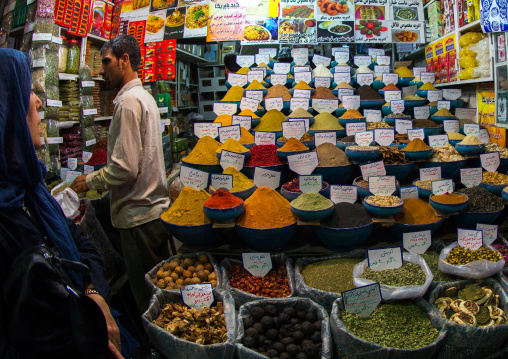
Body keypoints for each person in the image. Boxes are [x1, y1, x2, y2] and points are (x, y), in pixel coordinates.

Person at [0, 49, 124, 358]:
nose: (38, 100)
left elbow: (81, 245)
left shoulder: (33, 192)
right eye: (27, 90)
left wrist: (92, 292)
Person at [70, 35, 171, 312]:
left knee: (149, 302)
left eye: (106, 61)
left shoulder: (127, 103)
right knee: (164, 291)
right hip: (155, 213)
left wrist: (88, 181)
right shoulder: (145, 97)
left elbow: (124, 169)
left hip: (138, 219)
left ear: (124, 60)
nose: (102, 70)